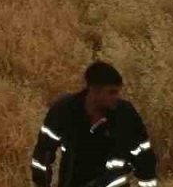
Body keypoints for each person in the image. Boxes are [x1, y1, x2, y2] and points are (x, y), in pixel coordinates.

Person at [30, 61, 158, 187]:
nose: (117, 97)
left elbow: (144, 158)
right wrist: (41, 181)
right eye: (112, 92)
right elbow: (44, 151)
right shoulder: (65, 111)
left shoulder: (125, 115)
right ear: (94, 90)